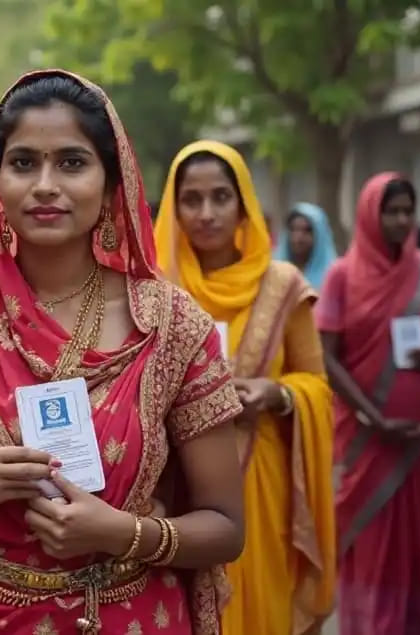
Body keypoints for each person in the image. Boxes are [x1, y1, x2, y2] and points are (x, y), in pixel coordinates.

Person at [0, 71, 246, 634]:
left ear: (110, 184)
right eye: (24, 162)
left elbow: (225, 527)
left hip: (133, 615)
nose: (45, 184)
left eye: (73, 163)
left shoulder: (173, 325)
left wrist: (122, 533)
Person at [154, 141, 336, 634]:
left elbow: (315, 383)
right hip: (173, 484)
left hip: (259, 481)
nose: (207, 213)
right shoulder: (153, 286)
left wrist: (275, 394)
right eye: (192, 199)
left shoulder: (281, 285)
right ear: (175, 205)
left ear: (243, 204)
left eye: (220, 197)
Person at [316, 172, 420, 634]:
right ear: (370, 213)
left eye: (408, 210)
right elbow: (327, 355)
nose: (402, 220)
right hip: (370, 436)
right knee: (373, 539)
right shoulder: (342, 275)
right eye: (392, 211)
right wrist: (372, 415)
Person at [274, 202, 339, 290]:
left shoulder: (334, 275)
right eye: (293, 229)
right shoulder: (274, 273)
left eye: (307, 230)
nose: (298, 237)